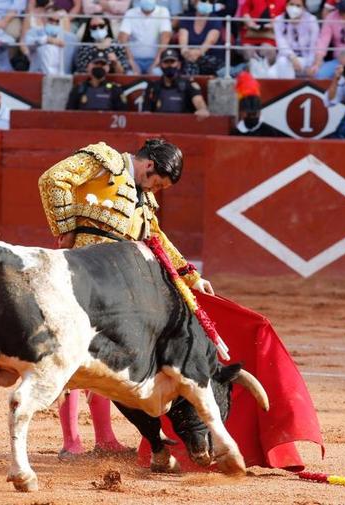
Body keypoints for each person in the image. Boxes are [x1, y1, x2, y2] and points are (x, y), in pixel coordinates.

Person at [38, 139, 214, 459]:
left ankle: (104, 437)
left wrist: (191, 276)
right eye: (158, 182)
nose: (157, 190)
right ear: (149, 166)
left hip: (116, 284)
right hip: (79, 271)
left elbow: (156, 239)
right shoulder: (103, 161)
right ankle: (71, 440)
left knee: (107, 357)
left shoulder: (143, 197)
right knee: (70, 351)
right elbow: (53, 179)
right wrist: (66, 229)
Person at [142, 48, 210, 117]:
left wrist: (202, 110)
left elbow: (199, 102)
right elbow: (146, 112)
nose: (169, 65)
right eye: (166, 62)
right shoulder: (153, 86)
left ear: (179, 64)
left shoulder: (188, 85)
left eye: (172, 62)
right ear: (160, 65)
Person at [118, 0, 172, 75]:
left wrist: (157, 60)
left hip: (155, 59)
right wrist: (131, 61)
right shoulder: (130, 13)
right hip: (134, 59)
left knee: (158, 74)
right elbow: (123, 37)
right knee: (130, 75)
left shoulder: (163, 11)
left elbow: (166, 36)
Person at [269, 0, 319, 78]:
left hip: (306, 60)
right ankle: (288, 86)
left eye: (298, 5)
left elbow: (314, 45)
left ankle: (288, 87)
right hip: (287, 58)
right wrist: (292, 58)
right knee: (270, 74)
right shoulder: (279, 20)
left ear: (304, 7)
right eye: (291, 4)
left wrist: (310, 65)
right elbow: (281, 44)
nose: (294, 8)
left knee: (282, 64)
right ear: (286, 5)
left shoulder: (311, 20)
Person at [231, 71, 285, 136]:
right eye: (249, 114)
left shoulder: (269, 132)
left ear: (259, 113)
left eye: (253, 113)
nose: (251, 116)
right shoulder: (237, 133)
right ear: (242, 113)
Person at [177, 0, 222, 76]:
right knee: (190, 64)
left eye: (208, 1)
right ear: (195, 2)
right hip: (189, 57)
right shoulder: (186, 18)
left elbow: (210, 41)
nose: (205, 3)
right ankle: (191, 86)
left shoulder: (215, 19)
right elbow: (183, 42)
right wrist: (186, 53)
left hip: (211, 58)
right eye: (202, 1)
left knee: (195, 64)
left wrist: (198, 53)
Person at [24, 8, 66, 75]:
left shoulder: (66, 37)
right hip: (38, 77)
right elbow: (29, 43)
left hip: (58, 79)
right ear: (43, 19)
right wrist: (47, 39)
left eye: (57, 21)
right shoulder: (34, 32)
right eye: (50, 20)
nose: (54, 24)